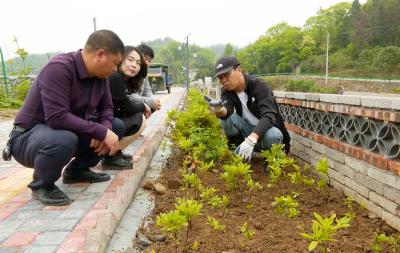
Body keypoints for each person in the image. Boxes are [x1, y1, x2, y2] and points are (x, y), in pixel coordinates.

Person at [8, 30, 126, 206]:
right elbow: (57, 117)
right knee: (65, 138)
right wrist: (100, 131)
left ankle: (77, 171)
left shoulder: (100, 77)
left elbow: (107, 107)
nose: (115, 69)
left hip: (62, 132)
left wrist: (106, 128)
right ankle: (42, 185)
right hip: (27, 138)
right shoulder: (59, 68)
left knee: (116, 126)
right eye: (115, 63)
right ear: (100, 55)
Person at [209, 56, 291, 163]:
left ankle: (271, 162)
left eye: (226, 75)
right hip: (248, 134)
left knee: (274, 135)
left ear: (238, 69)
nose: (224, 80)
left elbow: (269, 115)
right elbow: (226, 110)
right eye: (220, 78)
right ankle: (239, 153)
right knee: (227, 119)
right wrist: (219, 110)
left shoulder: (258, 85)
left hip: (266, 135)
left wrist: (251, 139)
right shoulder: (227, 91)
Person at [102, 46, 150, 168]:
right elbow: (126, 108)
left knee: (135, 117)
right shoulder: (115, 76)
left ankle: (115, 152)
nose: (134, 65)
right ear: (121, 59)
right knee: (139, 118)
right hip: (101, 123)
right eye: (130, 59)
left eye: (138, 63)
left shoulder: (121, 79)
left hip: (106, 121)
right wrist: (143, 105)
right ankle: (111, 155)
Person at [127, 43, 162, 112]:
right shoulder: (130, 71)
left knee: (154, 105)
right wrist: (148, 102)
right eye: (145, 59)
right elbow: (129, 96)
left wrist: (154, 100)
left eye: (149, 61)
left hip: (139, 101)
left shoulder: (144, 74)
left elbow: (147, 90)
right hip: (129, 105)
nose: (147, 63)